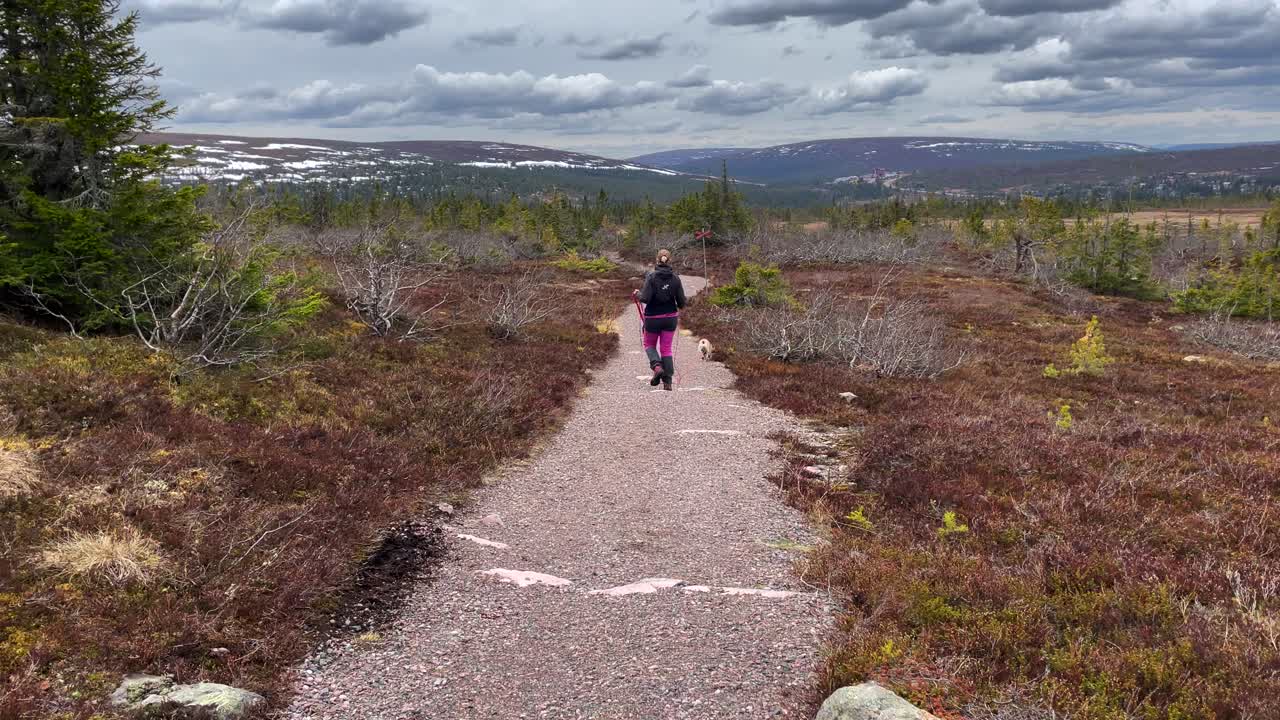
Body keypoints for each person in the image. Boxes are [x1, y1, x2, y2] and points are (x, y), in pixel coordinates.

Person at [634, 248, 687, 391]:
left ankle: (657, 367)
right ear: (670, 260)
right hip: (670, 319)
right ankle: (667, 383)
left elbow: (645, 298)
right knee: (666, 349)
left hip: (653, 318)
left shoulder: (651, 277)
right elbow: (682, 303)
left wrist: (638, 294)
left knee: (649, 344)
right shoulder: (675, 278)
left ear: (657, 260)